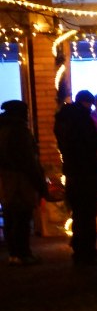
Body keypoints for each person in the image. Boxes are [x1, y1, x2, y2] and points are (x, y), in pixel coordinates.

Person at [54, 90, 97, 265]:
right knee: (87, 213)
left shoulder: (62, 119)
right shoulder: (82, 118)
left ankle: (79, 250)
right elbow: (93, 143)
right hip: (85, 171)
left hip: (71, 170)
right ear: (87, 103)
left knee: (78, 212)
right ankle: (89, 252)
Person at [0, 100, 47, 265]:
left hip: (6, 179)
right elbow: (28, 161)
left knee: (10, 217)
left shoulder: (3, 128)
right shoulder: (19, 131)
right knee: (22, 218)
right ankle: (23, 254)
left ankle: (14, 254)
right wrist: (41, 184)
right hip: (21, 180)